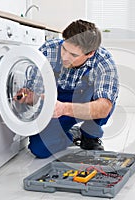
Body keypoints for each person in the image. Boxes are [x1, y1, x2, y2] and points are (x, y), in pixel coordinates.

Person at [17, 19, 119, 158]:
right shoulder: (48, 51)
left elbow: (104, 107)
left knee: (105, 102)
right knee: (40, 149)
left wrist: (64, 108)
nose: (65, 57)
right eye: (64, 48)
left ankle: (90, 134)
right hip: (56, 105)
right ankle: (73, 134)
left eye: (74, 55)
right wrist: (31, 97)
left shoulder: (104, 62)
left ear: (90, 53)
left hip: (83, 103)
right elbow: (35, 95)